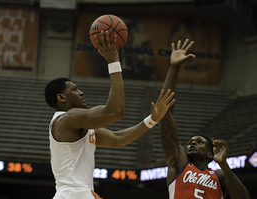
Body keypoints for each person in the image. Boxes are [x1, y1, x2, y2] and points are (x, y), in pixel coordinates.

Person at [44, 30, 176, 199]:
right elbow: (115, 111)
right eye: (74, 89)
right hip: (74, 193)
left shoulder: (77, 125)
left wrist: (152, 119)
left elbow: (117, 139)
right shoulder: (67, 119)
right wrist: (114, 62)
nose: (81, 93)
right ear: (61, 97)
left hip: (76, 193)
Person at [159, 39, 250, 199]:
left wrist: (223, 163)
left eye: (200, 142)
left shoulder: (220, 175)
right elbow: (165, 114)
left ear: (210, 154)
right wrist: (174, 67)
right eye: (191, 141)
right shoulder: (179, 164)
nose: (192, 142)